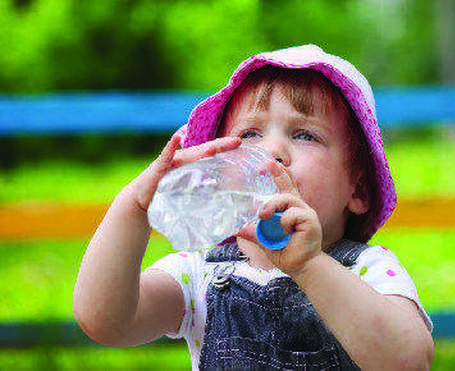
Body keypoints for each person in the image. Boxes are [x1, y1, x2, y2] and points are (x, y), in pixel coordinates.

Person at [74, 44, 434, 370]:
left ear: (358, 189)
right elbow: (104, 320)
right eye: (249, 135)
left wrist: (310, 266)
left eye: (304, 134)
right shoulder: (197, 276)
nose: (271, 151)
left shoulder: (368, 272)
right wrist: (134, 206)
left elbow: (407, 362)